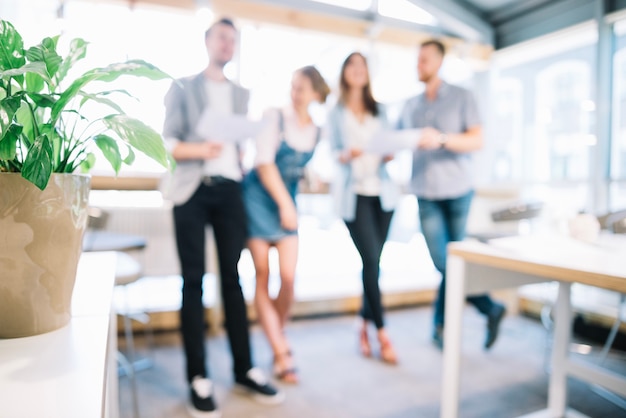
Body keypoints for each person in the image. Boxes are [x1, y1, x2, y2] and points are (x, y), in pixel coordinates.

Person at [161, 17, 283, 416]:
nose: (227, 45)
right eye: (221, 38)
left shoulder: (243, 95)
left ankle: (244, 368)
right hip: (192, 190)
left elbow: (244, 146)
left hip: (231, 191)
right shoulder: (182, 88)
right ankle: (198, 375)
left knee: (234, 281)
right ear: (207, 42)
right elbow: (168, 142)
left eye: (233, 40)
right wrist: (202, 150)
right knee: (192, 281)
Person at [397, 39, 506, 351]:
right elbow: (397, 139)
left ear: (439, 62)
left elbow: (477, 140)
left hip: (458, 188)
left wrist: (442, 139)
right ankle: (489, 307)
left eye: (425, 60)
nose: (419, 65)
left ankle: (440, 327)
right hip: (425, 191)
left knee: (454, 261)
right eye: (417, 60)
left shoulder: (463, 97)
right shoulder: (410, 105)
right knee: (445, 263)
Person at [242, 66, 330, 384]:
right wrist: (285, 204)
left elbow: (296, 165)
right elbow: (265, 165)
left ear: (316, 93)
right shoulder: (273, 116)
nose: (296, 93)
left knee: (289, 279)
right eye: (293, 87)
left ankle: (275, 335)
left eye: (302, 88)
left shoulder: (316, 131)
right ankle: (281, 350)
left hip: (286, 205)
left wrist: (310, 176)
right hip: (259, 200)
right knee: (263, 273)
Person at [326, 52, 401, 364]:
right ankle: (382, 331)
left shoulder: (380, 111)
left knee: (374, 264)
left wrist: (388, 153)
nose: (357, 71)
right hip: (353, 194)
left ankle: (362, 325)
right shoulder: (336, 112)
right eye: (351, 66)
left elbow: (390, 144)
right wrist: (346, 154)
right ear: (344, 73)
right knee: (370, 259)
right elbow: (332, 151)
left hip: (382, 195)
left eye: (362, 66)